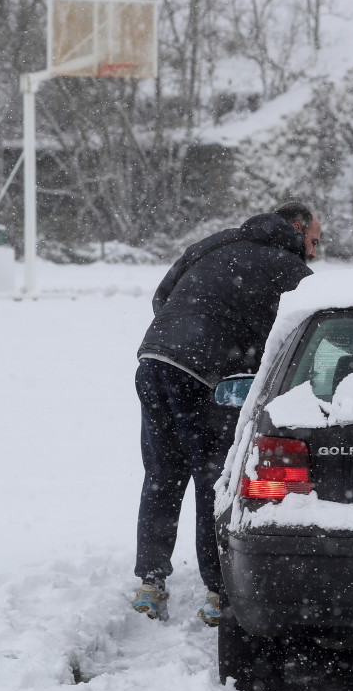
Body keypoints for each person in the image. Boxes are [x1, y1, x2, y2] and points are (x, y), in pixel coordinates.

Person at [131, 202, 321, 625]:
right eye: (313, 242)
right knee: (212, 479)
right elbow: (304, 331)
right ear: (295, 229)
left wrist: (189, 334)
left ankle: (150, 584)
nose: (315, 252)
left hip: (155, 360)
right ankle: (217, 592)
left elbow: (163, 296)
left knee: (162, 475)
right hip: (202, 373)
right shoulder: (289, 270)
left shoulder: (213, 244)